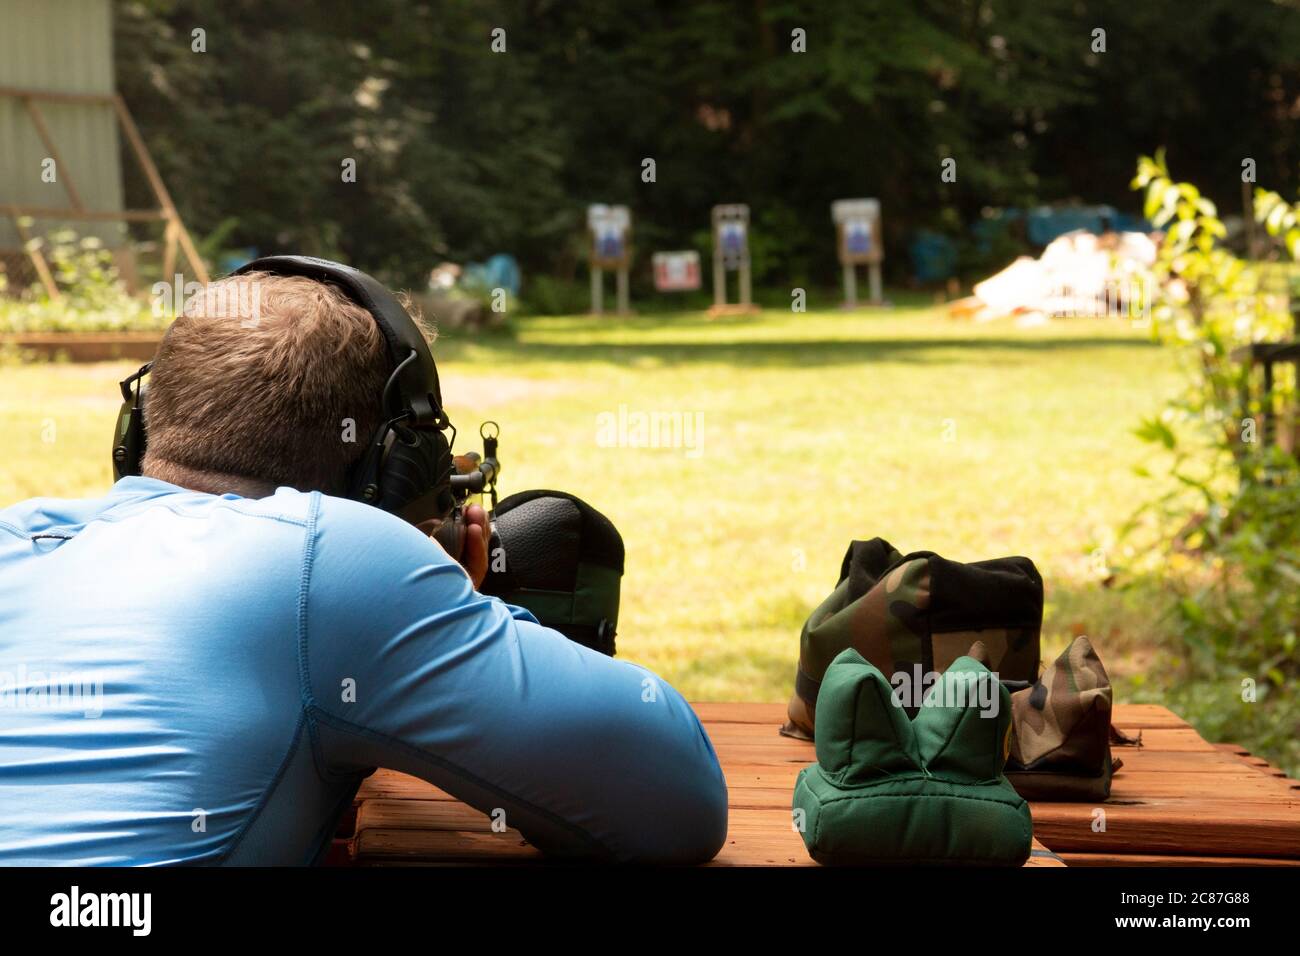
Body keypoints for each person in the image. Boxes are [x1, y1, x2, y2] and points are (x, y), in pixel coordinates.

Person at [0, 268, 728, 865]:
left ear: (140, 427)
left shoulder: (18, 534)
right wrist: (453, 606)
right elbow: (678, 803)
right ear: (393, 466)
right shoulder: (331, 555)